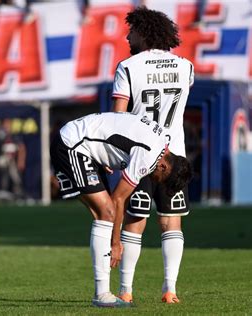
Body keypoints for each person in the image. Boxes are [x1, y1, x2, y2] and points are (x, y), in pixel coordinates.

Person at [50, 112, 193, 308]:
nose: (156, 182)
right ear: (163, 167)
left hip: (84, 143)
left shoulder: (161, 143)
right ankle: (102, 295)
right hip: (72, 144)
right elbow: (119, 199)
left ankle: (103, 294)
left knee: (104, 215)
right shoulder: (149, 156)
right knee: (107, 212)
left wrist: (105, 152)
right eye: (162, 181)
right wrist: (116, 243)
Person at [111, 6, 195, 304]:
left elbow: (118, 118)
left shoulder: (128, 67)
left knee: (135, 220)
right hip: (174, 157)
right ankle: (170, 290)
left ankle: (125, 291)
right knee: (171, 221)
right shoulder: (185, 66)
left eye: (132, 30)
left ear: (144, 33)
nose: (127, 35)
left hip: (139, 155)